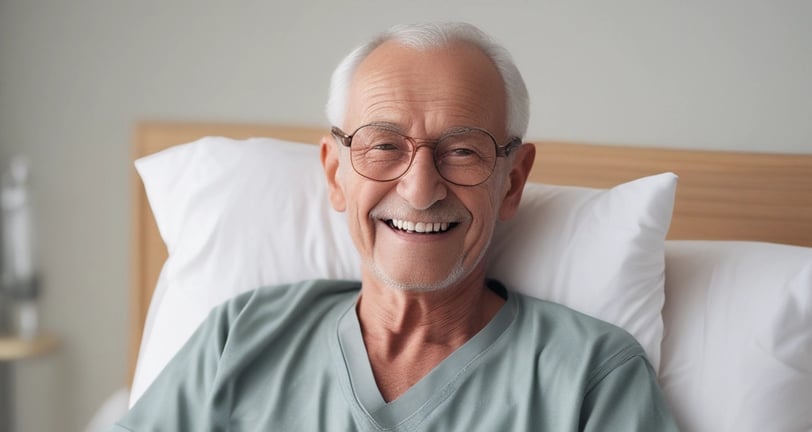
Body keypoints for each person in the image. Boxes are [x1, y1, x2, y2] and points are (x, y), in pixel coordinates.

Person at [111, 22, 678, 431]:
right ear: (335, 174)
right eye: (383, 145)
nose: (420, 187)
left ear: (512, 180)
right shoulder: (242, 336)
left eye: (462, 151)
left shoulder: (591, 378)